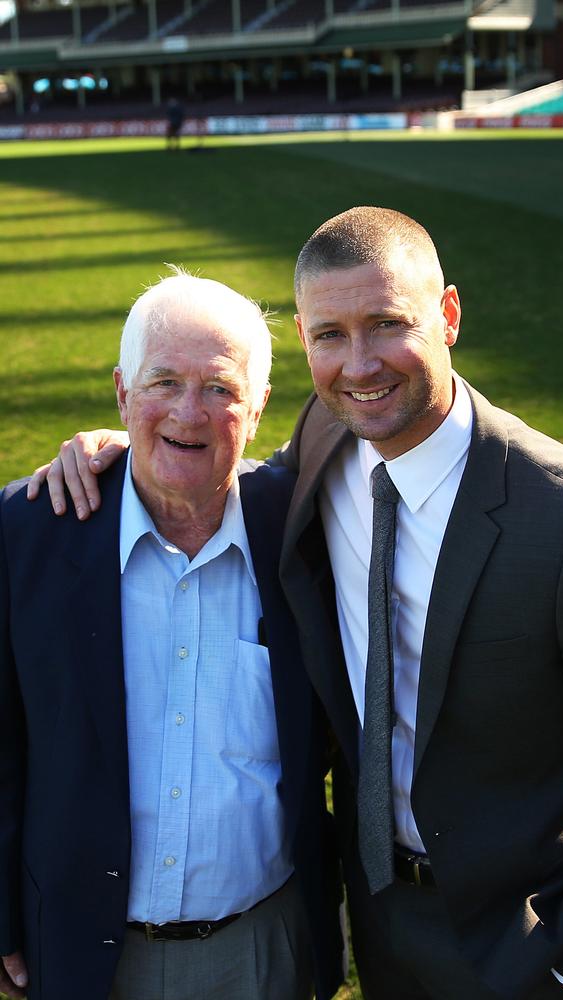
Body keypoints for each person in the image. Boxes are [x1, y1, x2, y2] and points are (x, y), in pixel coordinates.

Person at [28, 208, 563, 1000]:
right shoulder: (327, 437)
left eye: (387, 324)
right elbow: (213, 460)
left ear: (449, 315)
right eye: (329, 334)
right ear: (303, 341)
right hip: (380, 919)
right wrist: (119, 451)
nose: (359, 364)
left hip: (521, 940)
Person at [0, 271, 344, 1000]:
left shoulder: (305, 532)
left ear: (256, 411)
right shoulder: (26, 534)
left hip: (264, 949)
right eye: (163, 383)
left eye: (220, 388)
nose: (190, 412)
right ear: (122, 393)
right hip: (84, 953)